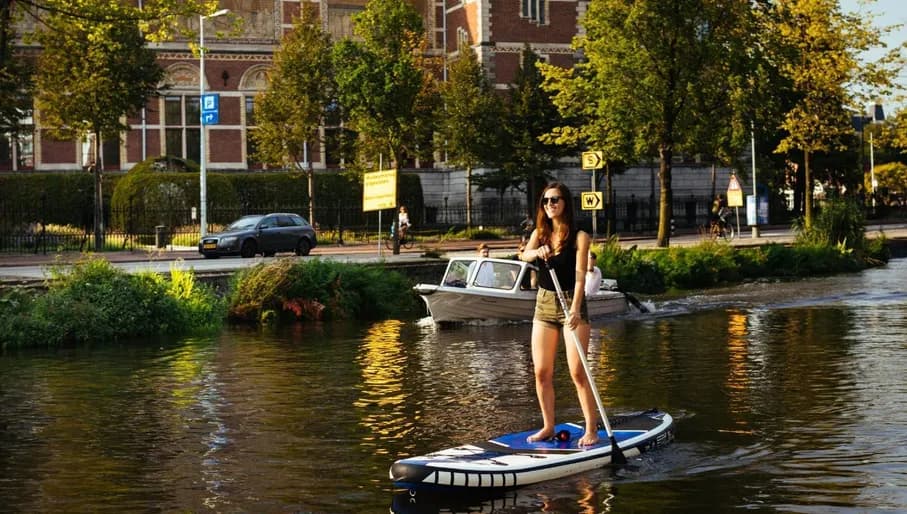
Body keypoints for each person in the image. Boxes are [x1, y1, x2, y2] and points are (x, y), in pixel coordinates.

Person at [519, 182, 598, 446]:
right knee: (541, 372)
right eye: (545, 201)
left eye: (555, 200)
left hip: (570, 303)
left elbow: (579, 277)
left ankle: (591, 429)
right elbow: (523, 255)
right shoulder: (540, 233)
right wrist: (536, 251)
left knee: (577, 371)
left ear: (565, 203)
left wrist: (575, 308)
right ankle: (548, 426)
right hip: (544, 304)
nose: (549, 205)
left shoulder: (579, 237)